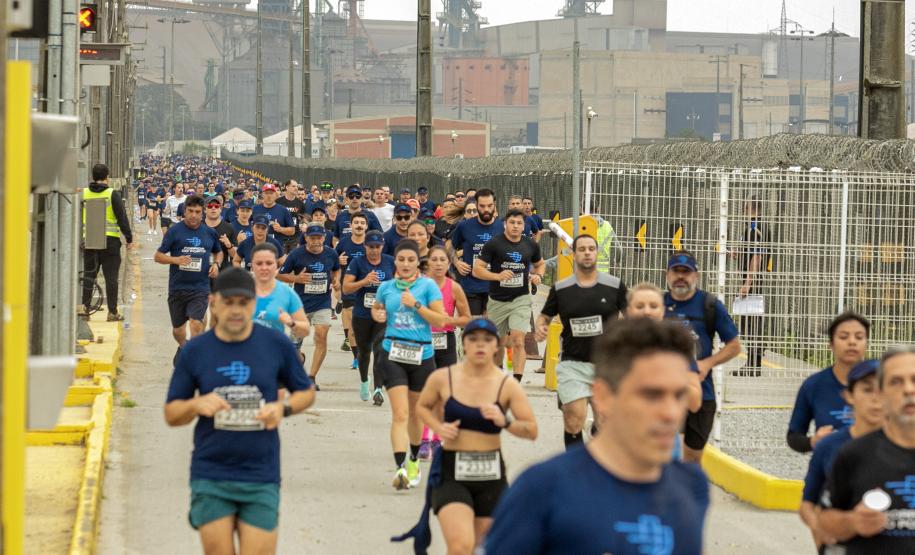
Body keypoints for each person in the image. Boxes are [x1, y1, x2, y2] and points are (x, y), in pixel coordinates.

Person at [483, 318, 709, 554]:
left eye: (679, 394)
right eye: (651, 395)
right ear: (602, 397)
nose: (671, 413)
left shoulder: (692, 486)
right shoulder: (541, 489)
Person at [164, 267, 316, 555]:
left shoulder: (276, 345)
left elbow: (305, 393)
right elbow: (172, 413)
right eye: (229, 302)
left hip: (260, 474)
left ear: (253, 304)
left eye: (243, 303)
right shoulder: (195, 351)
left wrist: (282, 408)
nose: (236, 310)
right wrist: (196, 404)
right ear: (214, 302)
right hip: (212, 474)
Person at [408, 318, 537, 554]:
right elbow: (422, 407)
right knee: (460, 546)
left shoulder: (507, 385)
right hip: (451, 472)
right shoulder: (443, 378)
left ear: (496, 346)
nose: (480, 345)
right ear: (463, 344)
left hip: (491, 475)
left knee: (482, 547)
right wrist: (438, 427)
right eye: (473, 339)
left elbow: (531, 430)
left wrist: (504, 421)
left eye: (487, 340)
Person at [819, 345, 915, 554]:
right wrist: (852, 522)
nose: (908, 389)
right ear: (881, 394)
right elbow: (826, 519)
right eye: (896, 382)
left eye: (914, 380)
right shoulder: (853, 454)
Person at [535, 234, 627, 449]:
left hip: (606, 365)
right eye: (582, 249)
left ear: (596, 253)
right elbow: (545, 316)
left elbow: (631, 315)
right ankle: (576, 468)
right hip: (572, 363)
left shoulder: (614, 286)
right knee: (574, 418)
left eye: (591, 249)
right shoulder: (561, 288)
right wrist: (541, 326)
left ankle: (600, 452)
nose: (587, 252)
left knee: (605, 422)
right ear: (574, 254)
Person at [371, 240, 446, 490]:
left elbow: (440, 319)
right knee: (400, 413)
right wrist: (378, 314)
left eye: (410, 260)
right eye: (401, 259)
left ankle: (414, 459)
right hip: (392, 353)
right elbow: (378, 309)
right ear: (395, 262)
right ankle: (400, 467)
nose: (405, 264)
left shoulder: (428, 287)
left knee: (416, 414)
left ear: (417, 263)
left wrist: (415, 304)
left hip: (422, 355)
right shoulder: (386, 287)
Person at [664, 250, 741, 463]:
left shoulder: (709, 305)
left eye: (686, 272)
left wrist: (707, 363)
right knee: (669, 453)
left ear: (695, 276)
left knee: (692, 456)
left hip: (701, 391)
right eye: (676, 271)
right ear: (667, 274)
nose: (680, 276)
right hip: (665, 392)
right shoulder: (657, 305)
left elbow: (734, 346)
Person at [799, 359, 882, 552]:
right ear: (849, 395)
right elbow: (808, 504)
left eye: (883, 390)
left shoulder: (905, 446)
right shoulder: (830, 446)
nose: (876, 398)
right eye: (867, 390)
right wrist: (819, 529)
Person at [474, 209, 545, 382]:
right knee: (497, 343)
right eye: (512, 222)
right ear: (505, 224)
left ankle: (516, 382)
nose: (515, 226)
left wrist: (538, 276)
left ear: (524, 226)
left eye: (519, 223)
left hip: (520, 299)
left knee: (518, 340)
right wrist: (497, 276)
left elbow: (540, 264)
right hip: (497, 300)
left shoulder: (530, 245)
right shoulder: (494, 244)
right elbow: (477, 269)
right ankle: (498, 377)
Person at [154, 194, 224, 363]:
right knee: (178, 330)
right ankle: (183, 346)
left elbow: (219, 252)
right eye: (190, 211)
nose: (194, 215)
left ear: (202, 213)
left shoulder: (209, 232)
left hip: (200, 288)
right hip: (177, 288)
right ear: (184, 211)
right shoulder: (174, 231)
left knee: (196, 323)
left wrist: (216, 265)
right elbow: (158, 256)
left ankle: (193, 356)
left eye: (197, 212)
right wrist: (175, 260)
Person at [787, 312, 869, 453]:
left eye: (859, 337)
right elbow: (794, 436)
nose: (852, 342)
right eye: (843, 337)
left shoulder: (884, 384)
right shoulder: (813, 385)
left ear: (866, 342)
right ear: (831, 344)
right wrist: (813, 441)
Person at [277, 224, 340, 388]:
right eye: (312, 238)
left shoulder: (331, 253)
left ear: (324, 238)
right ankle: (299, 362)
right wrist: (296, 279)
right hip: (300, 305)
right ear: (306, 238)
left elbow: (336, 269)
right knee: (294, 346)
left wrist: (336, 280)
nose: (316, 241)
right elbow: (280, 275)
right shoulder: (296, 254)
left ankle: (312, 377)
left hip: (322, 303)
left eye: (319, 237)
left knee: (321, 334)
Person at [343, 230, 395, 404]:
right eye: (370, 247)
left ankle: (378, 389)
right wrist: (364, 281)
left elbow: (400, 283)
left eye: (377, 247)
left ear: (382, 246)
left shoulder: (390, 262)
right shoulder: (358, 263)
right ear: (365, 246)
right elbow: (346, 288)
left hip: (383, 314)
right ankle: (365, 381)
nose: (374, 250)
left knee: (380, 351)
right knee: (364, 352)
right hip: (362, 314)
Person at [81, 162, 134, 321]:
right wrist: (129, 238)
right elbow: (122, 218)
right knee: (111, 278)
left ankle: (85, 310)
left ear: (92, 176)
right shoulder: (112, 194)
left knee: (89, 276)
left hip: (90, 240)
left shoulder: (84, 194)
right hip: (110, 242)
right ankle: (112, 312)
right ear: (107, 177)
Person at [448, 190, 503, 317]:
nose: (486, 210)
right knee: (473, 330)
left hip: (495, 287)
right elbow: (450, 245)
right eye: (482, 206)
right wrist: (456, 262)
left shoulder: (502, 227)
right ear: (477, 205)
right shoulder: (464, 226)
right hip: (471, 286)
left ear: (494, 205)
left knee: (492, 330)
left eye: (489, 206)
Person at [736, 197, 770, 375]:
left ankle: (753, 364)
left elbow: (757, 257)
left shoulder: (757, 227)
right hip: (749, 280)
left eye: (745, 206)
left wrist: (747, 283)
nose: (743, 209)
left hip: (753, 283)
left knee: (752, 321)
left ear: (750, 208)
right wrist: (737, 252)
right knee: (748, 320)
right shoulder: (751, 226)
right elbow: (749, 252)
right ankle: (752, 362)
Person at [250, 242, 311, 340]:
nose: (264, 267)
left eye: (269, 263)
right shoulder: (239, 291)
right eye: (259, 263)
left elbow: (306, 330)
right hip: (244, 352)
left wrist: (291, 323)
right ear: (252, 265)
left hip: (273, 352)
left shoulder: (286, 293)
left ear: (276, 265)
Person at [335, 212, 371, 361]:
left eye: (362, 223)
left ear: (366, 226)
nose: (359, 225)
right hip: (348, 285)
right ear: (351, 225)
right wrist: (339, 261)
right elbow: (334, 263)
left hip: (368, 288)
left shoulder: (371, 243)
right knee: (350, 316)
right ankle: (357, 357)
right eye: (356, 222)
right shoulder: (343, 243)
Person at [204, 195, 237, 273]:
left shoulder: (229, 227)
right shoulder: (198, 227)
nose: (213, 208)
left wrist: (229, 245)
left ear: (220, 209)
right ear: (205, 209)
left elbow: (235, 256)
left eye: (216, 206)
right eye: (210, 206)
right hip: (201, 273)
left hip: (222, 272)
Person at [275, 180, 307, 254]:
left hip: (295, 237)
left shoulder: (300, 203)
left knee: (293, 261)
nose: (296, 188)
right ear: (287, 187)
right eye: (293, 186)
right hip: (281, 236)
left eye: (296, 186)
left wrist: (304, 223)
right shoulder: (278, 201)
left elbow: (304, 217)